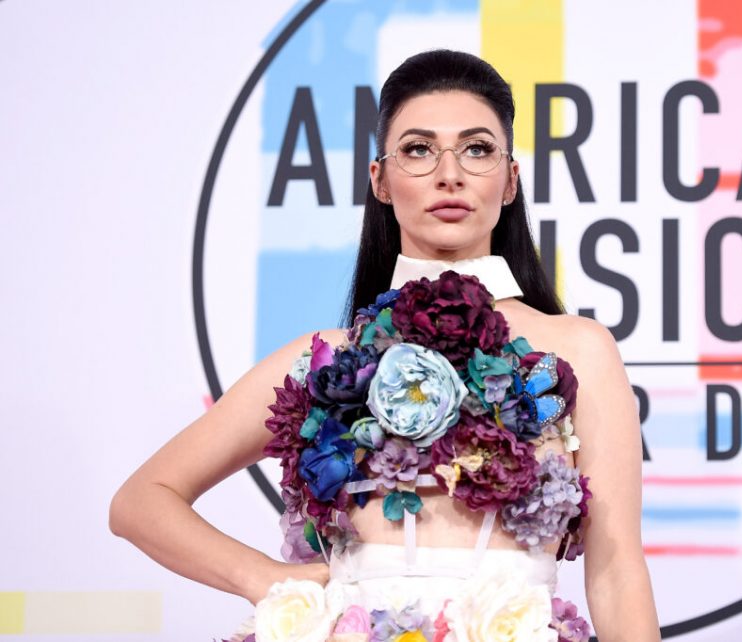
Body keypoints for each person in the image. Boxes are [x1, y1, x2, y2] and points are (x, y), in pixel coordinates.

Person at [110, 49, 660, 641]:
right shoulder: (325, 361)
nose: (449, 174)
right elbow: (141, 501)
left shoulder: (578, 349)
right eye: (418, 149)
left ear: (509, 181)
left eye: (477, 149)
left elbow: (616, 570)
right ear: (379, 179)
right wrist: (267, 579)